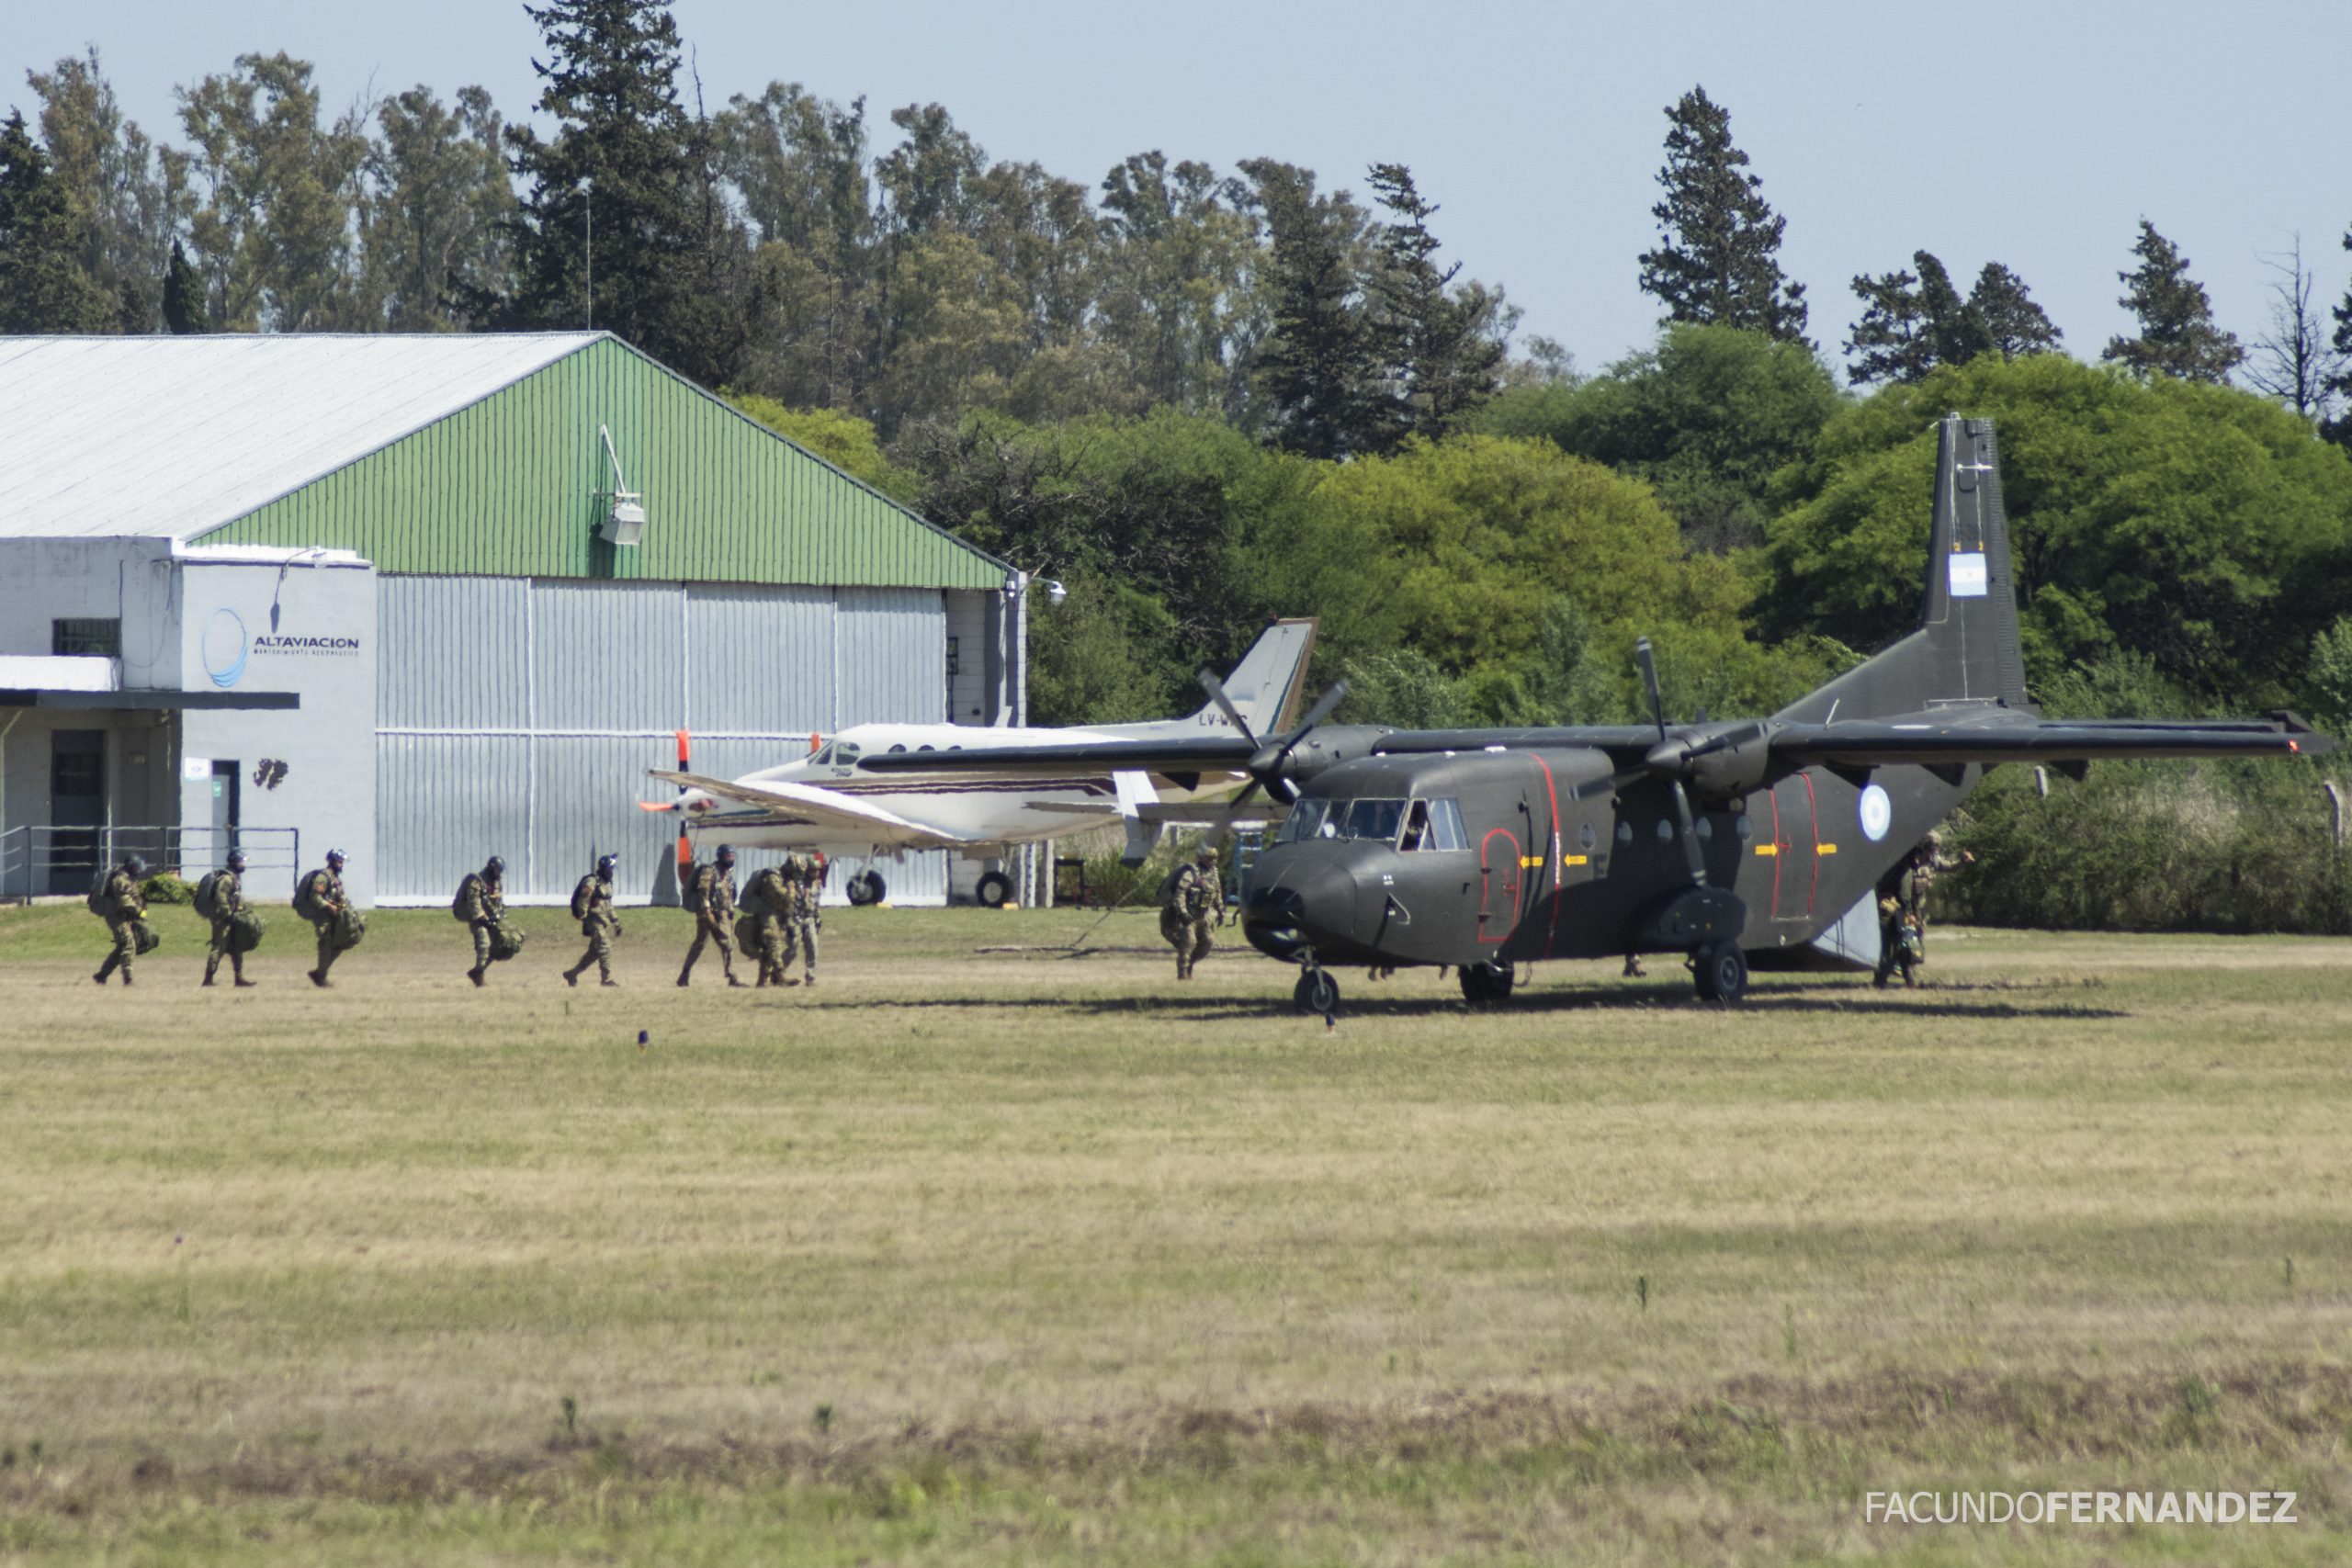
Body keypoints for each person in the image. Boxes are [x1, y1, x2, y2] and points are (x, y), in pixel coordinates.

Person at [679, 844, 746, 987]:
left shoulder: (727, 874)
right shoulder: (709, 871)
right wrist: (708, 913)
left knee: (720, 943)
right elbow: (704, 893)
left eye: (732, 856)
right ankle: (686, 974)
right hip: (707, 914)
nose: (731, 859)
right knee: (716, 943)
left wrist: (730, 911)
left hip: (721, 914)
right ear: (720, 857)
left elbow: (728, 895)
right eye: (728, 856)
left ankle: (685, 975)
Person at [1160, 845, 1220, 980]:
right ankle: (1182, 974)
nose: (1212, 861)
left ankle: (1190, 965)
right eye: (1209, 858)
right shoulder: (1190, 874)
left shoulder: (1214, 874)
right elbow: (1180, 894)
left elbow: (1217, 893)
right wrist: (1182, 912)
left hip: (1204, 916)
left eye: (1215, 858)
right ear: (1202, 858)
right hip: (1189, 916)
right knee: (1189, 942)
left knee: (1208, 942)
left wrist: (1220, 910)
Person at [563, 853, 621, 987]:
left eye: (612, 869)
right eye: (609, 869)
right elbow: (584, 899)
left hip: (602, 920)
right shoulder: (592, 881)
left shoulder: (607, 884)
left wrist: (616, 922)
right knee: (605, 947)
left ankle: (572, 974)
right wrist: (583, 916)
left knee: (594, 953)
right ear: (603, 869)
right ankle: (607, 979)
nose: (611, 871)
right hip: (593, 920)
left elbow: (608, 905)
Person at [202, 849, 257, 988]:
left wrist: (242, 910)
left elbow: (235, 898)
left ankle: (239, 978)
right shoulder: (226, 879)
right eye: (241, 862)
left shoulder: (234, 878)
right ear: (234, 862)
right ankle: (208, 979)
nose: (243, 865)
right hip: (223, 919)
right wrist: (228, 914)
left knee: (237, 947)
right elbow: (220, 898)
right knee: (219, 947)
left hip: (233, 918)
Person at [92, 853, 148, 987]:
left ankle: (102, 975)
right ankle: (128, 978)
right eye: (136, 868)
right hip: (116, 916)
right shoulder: (120, 880)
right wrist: (139, 912)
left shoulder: (127, 879)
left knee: (122, 947)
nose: (138, 871)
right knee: (128, 944)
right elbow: (125, 902)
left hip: (123, 915)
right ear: (130, 867)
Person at [302, 849, 351, 988]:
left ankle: (320, 973)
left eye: (342, 862)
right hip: (323, 917)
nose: (341, 864)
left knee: (341, 943)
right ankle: (321, 977)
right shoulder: (322, 877)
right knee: (326, 945)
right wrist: (329, 906)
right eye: (339, 861)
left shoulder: (335, 878)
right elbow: (314, 896)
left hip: (336, 917)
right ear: (332, 861)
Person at [458, 855, 507, 987]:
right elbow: (474, 905)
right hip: (475, 917)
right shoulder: (477, 882)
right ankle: (479, 974)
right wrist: (485, 920)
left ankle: (478, 971)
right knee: (484, 943)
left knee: (503, 944)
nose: (499, 873)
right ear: (491, 869)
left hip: (489, 917)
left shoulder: (497, 883)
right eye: (497, 870)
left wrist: (500, 917)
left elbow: (498, 902)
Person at [745, 861, 792, 987]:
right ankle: (780, 975)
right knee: (774, 944)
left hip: (775, 916)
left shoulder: (783, 878)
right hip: (766, 915)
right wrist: (791, 887)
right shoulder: (773, 878)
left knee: (767, 950)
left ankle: (762, 981)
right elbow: (785, 896)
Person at [783, 851, 823, 987]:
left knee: (813, 948)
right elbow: (791, 903)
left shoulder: (817, 884)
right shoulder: (798, 884)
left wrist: (818, 920)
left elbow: (816, 903)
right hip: (796, 919)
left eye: (817, 870)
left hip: (810, 919)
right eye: (813, 870)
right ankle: (778, 971)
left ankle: (810, 978)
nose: (815, 873)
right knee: (793, 948)